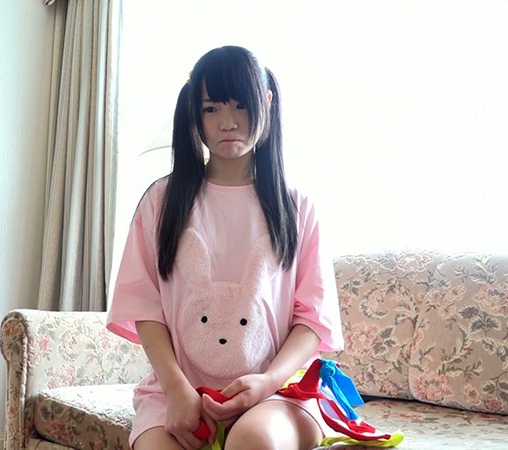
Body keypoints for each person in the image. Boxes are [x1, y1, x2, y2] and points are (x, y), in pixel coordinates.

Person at [106, 45, 344, 450]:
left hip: (278, 392)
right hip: (178, 391)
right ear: (194, 114)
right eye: (211, 109)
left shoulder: (296, 207)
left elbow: (313, 320)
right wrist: (177, 390)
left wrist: (267, 381)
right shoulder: (161, 201)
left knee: (254, 441)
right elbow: (144, 307)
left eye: (241, 106)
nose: (228, 122)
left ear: (266, 102)